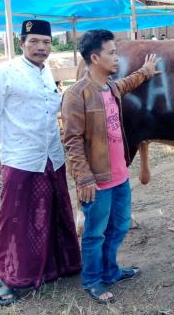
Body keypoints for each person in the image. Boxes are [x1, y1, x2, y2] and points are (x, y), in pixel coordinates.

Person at [0, 19, 82, 306]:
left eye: (46, 42)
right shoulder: (5, 72)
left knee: (53, 215)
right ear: (21, 43)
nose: (41, 47)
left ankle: (55, 268)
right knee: (15, 221)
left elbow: (54, 107)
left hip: (51, 158)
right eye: (34, 41)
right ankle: (7, 277)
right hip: (21, 159)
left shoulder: (47, 71)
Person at [61, 29, 161, 304]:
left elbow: (127, 83)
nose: (117, 58)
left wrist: (146, 71)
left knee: (119, 226)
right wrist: (83, 179)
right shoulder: (76, 95)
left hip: (119, 176)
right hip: (97, 180)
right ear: (95, 57)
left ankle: (110, 270)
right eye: (112, 53)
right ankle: (92, 280)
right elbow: (71, 140)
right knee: (94, 233)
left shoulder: (110, 87)